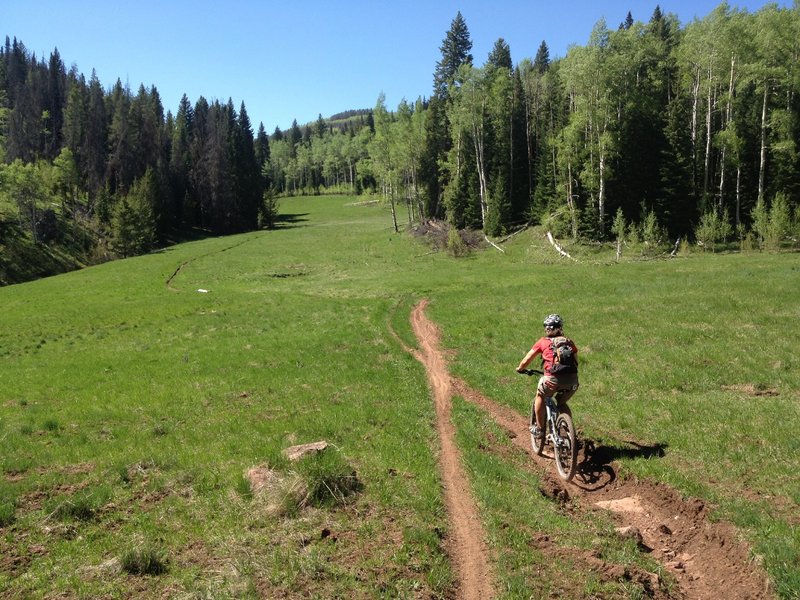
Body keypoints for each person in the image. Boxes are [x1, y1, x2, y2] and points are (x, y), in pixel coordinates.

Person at [516, 314, 579, 442]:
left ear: (546, 329)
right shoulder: (568, 342)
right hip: (572, 381)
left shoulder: (542, 342)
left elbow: (527, 360)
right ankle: (570, 434)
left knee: (540, 395)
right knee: (562, 403)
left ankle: (539, 429)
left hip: (551, 379)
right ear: (560, 327)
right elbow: (576, 362)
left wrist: (520, 368)